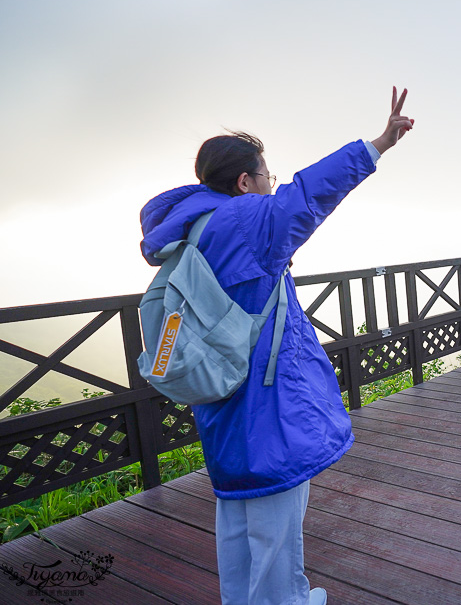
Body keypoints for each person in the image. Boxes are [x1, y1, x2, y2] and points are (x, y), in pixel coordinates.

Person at [138, 88, 414, 605]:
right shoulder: (246, 220)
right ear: (245, 182)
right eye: (267, 176)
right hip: (265, 398)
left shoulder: (198, 228)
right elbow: (308, 194)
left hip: (220, 389)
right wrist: (378, 145)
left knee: (239, 517)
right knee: (276, 517)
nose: (273, 184)